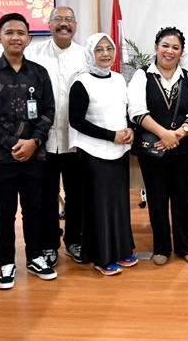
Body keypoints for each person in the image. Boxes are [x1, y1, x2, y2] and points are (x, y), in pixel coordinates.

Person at [0, 12, 57, 290]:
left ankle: (35, 257)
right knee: (5, 212)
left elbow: (48, 112)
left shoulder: (39, 73)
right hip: (1, 157)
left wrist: (33, 142)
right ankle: (6, 262)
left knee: (35, 210)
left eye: (21, 32)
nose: (15, 37)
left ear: (29, 38)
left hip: (36, 155)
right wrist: (12, 143)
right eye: (9, 32)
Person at [128, 27, 188, 266]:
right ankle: (161, 247)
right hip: (153, 149)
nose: (169, 51)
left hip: (183, 148)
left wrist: (178, 135)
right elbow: (136, 110)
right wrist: (164, 134)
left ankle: (185, 246)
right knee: (157, 198)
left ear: (181, 52)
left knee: (183, 198)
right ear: (156, 47)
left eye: (175, 47)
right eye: (165, 46)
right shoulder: (142, 75)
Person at [69, 33, 137, 276]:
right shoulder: (81, 82)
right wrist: (111, 135)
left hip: (119, 151)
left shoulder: (119, 79)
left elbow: (125, 111)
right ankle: (101, 257)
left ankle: (121, 250)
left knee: (119, 205)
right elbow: (76, 121)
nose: (106, 54)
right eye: (99, 50)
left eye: (109, 49)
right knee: (99, 207)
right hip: (93, 153)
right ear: (90, 53)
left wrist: (130, 129)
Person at [26, 6, 86, 267]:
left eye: (69, 20)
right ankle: (49, 244)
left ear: (76, 26)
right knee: (45, 195)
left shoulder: (85, 56)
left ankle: (74, 241)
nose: (64, 24)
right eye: (58, 19)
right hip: (43, 139)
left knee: (77, 194)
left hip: (77, 139)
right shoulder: (33, 54)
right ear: (49, 24)